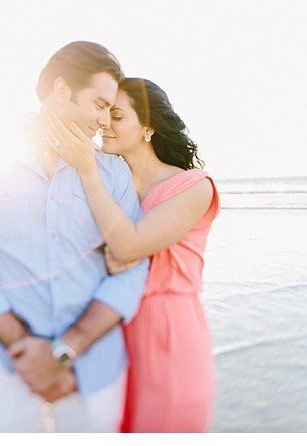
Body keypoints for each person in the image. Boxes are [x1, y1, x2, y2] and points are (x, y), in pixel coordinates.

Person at [0, 42, 149, 432]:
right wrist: (27, 351)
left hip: (94, 364)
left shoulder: (114, 174)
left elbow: (130, 271)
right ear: (61, 91)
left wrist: (66, 350)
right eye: (100, 104)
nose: (105, 121)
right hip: (9, 360)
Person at [45, 77, 220, 432]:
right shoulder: (114, 187)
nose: (104, 123)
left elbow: (126, 246)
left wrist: (88, 170)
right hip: (109, 329)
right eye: (104, 111)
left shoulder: (193, 186)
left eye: (119, 116)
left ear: (148, 128)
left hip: (166, 330)